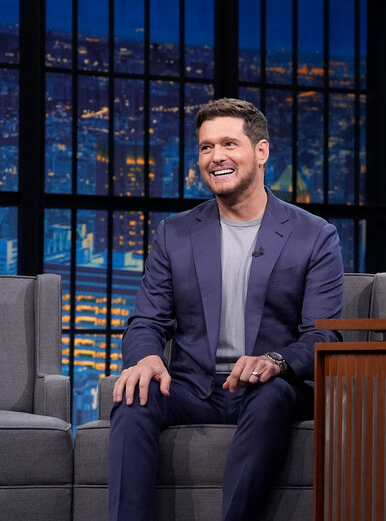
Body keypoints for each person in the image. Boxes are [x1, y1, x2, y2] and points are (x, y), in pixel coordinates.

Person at [107, 98, 344, 520]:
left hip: (266, 386)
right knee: (133, 395)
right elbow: (146, 320)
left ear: (261, 151)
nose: (216, 157)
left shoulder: (314, 236)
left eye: (229, 144)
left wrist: (274, 361)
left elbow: (323, 335)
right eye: (205, 147)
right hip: (191, 386)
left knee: (271, 396)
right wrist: (145, 358)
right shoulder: (174, 233)